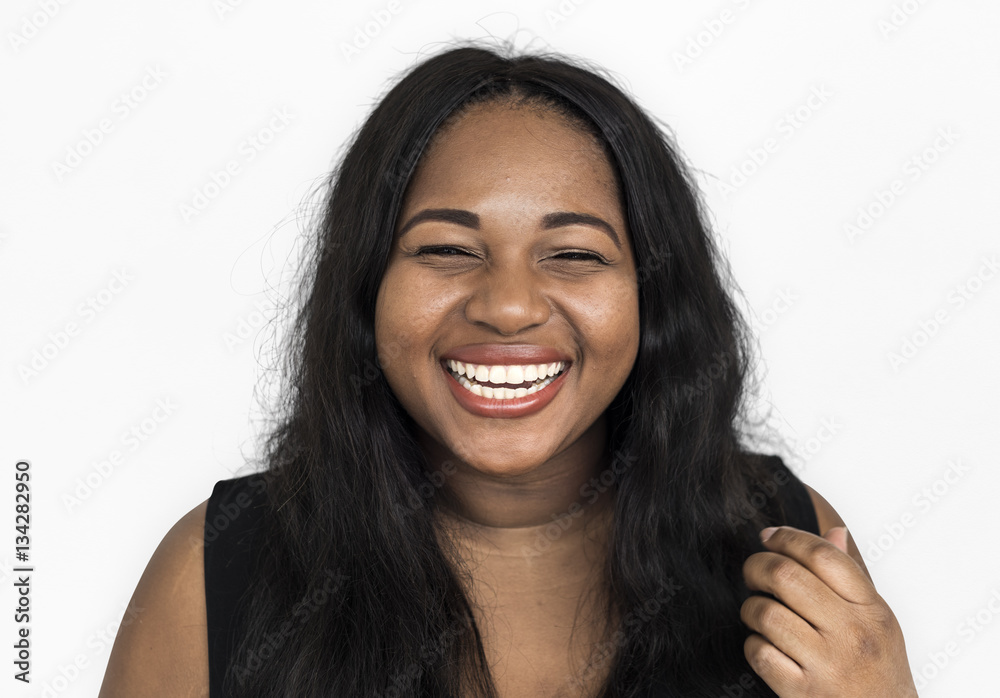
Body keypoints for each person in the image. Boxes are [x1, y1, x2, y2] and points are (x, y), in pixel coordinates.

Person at [99, 43, 918, 697]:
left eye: (572, 254)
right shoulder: (213, 578)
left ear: (652, 295)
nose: (510, 306)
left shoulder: (784, 546)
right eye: (448, 250)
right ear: (367, 289)